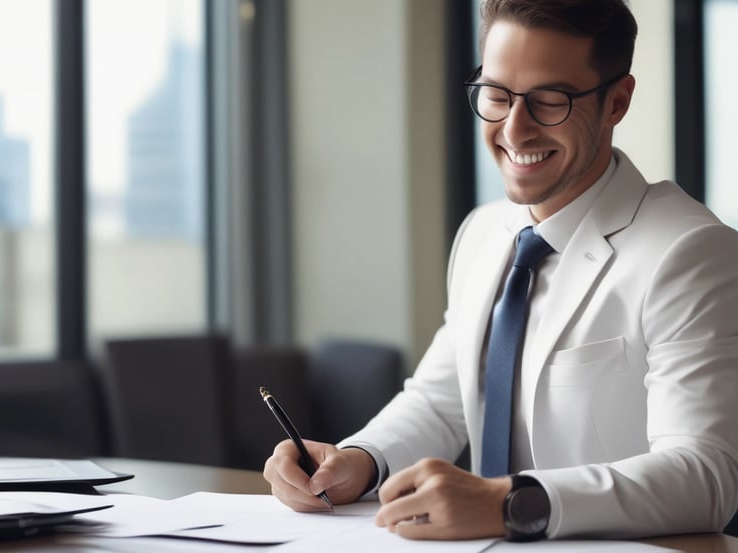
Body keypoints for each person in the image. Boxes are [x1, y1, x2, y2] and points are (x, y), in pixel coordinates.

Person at [263, 0, 738, 541]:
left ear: (617, 102)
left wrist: (509, 503)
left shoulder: (691, 253)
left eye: (549, 101)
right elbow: (440, 403)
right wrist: (357, 461)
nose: (514, 130)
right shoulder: (483, 232)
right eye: (496, 95)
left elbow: (704, 475)